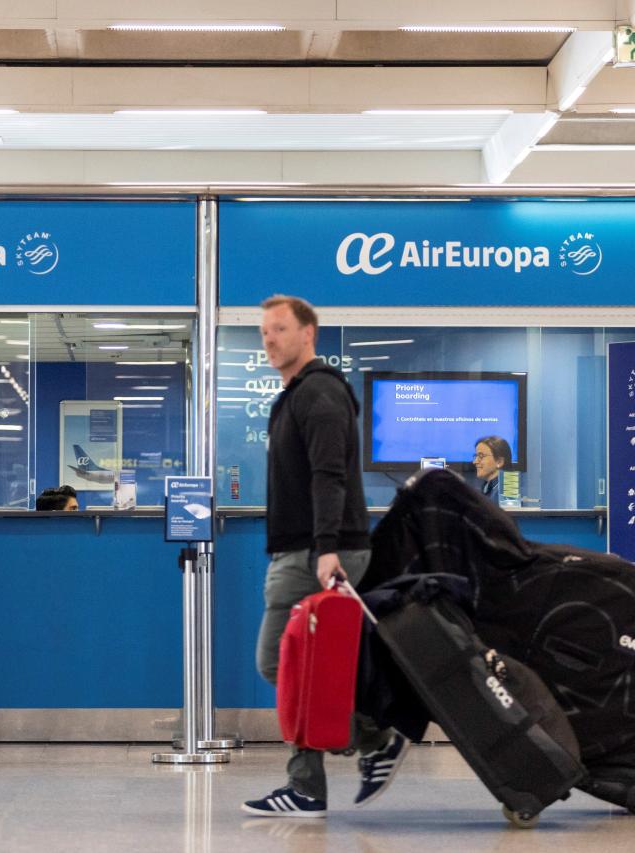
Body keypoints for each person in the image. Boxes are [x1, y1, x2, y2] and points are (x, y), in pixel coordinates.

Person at [242, 295, 409, 819]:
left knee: (279, 660)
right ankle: (344, 759)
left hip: (314, 555)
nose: (269, 339)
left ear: (309, 334)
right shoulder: (300, 395)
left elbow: (329, 476)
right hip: (308, 550)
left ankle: (360, 748)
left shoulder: (319, 395)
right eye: (265, 331)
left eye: (280, 329)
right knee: (302, 663)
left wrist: (327, 547)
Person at [474, 435, 511, 503]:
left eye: (481, 456)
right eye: (475, 456)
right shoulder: (488, 487)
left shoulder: (505, 492)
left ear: (499, 462)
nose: (475, 462)